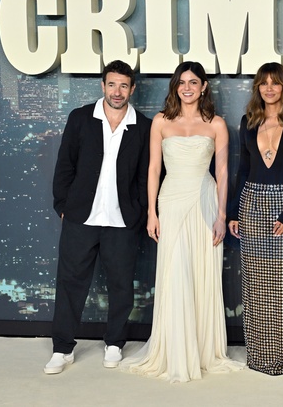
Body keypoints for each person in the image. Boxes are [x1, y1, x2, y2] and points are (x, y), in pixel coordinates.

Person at [123, 61, 243, 382]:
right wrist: (152, 212)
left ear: (204, 86)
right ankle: (175, 350)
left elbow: (222, 172)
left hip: (205, 201)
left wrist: (221, 216)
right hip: (171, 201)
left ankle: (202, 351)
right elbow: (153, 169)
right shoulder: (161, 121)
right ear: (175, 87)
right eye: (181, 82)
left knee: (202, 273)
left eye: (193, 82)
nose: (187, 88)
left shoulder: (217, 124)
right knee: (175, 272)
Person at [46, 60, 151, 374]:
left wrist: (140, 212)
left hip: (122, 220)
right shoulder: (80, 118)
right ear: (103, 85)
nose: (117, 92)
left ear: (132, 89)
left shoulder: (144, 126)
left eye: (123, 86)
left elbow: (146, 175)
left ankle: (114, 343)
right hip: (81, 217)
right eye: (112, 84)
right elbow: (65, 165)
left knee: (121, 285)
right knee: (70, 283)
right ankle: (62, 349)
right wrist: (63, 206)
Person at [228, 62, 283, 376]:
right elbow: (242, 169)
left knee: (282, 285)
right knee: (255, 285)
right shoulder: (248, 121)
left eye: (274, 83)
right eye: (263, 83)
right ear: (258, 88)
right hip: (251, 204)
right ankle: (259, 355)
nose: (269, 88)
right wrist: (233, 212)